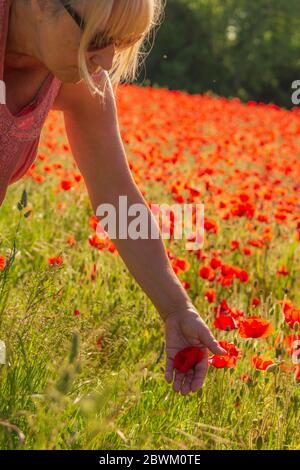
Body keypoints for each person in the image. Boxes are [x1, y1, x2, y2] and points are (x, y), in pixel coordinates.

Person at [0, 0, 226, 395]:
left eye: (119, 45)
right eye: (98, 39)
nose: (104, 61)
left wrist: (176, 308)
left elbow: (117, 198)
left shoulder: (78, 79)